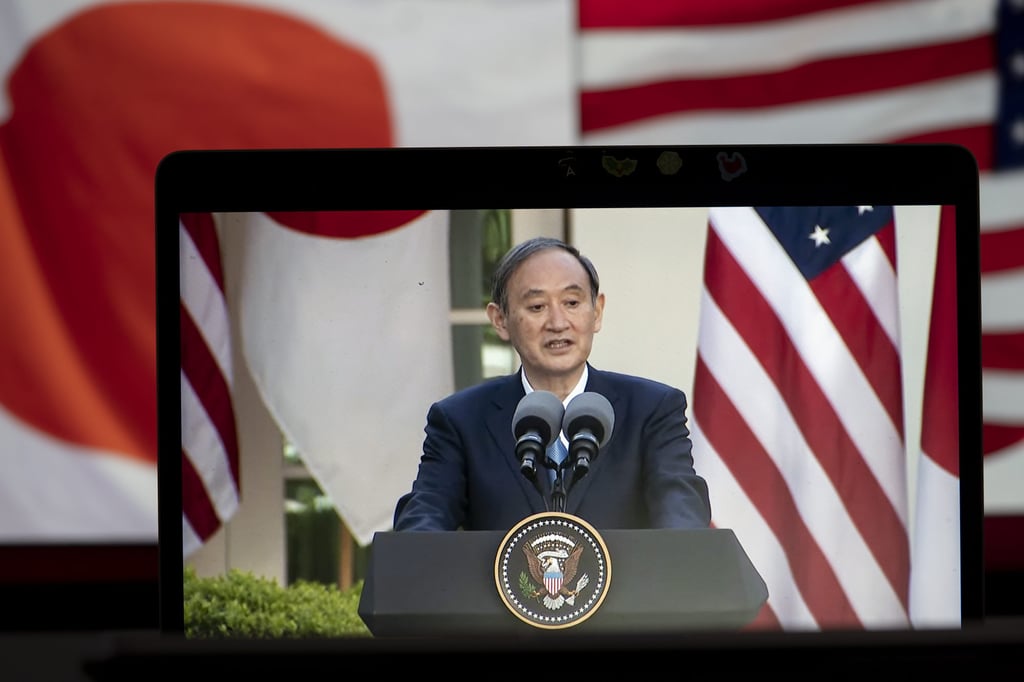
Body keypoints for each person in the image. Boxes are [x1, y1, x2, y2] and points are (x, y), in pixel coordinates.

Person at [392, 236, 711, 532]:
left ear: (596, 311)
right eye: (536, 307)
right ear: (500, 320)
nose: (558, 323)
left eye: (572, 303)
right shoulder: (460, 420)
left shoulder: (652, 409)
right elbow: (425, 518)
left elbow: (680, 513)